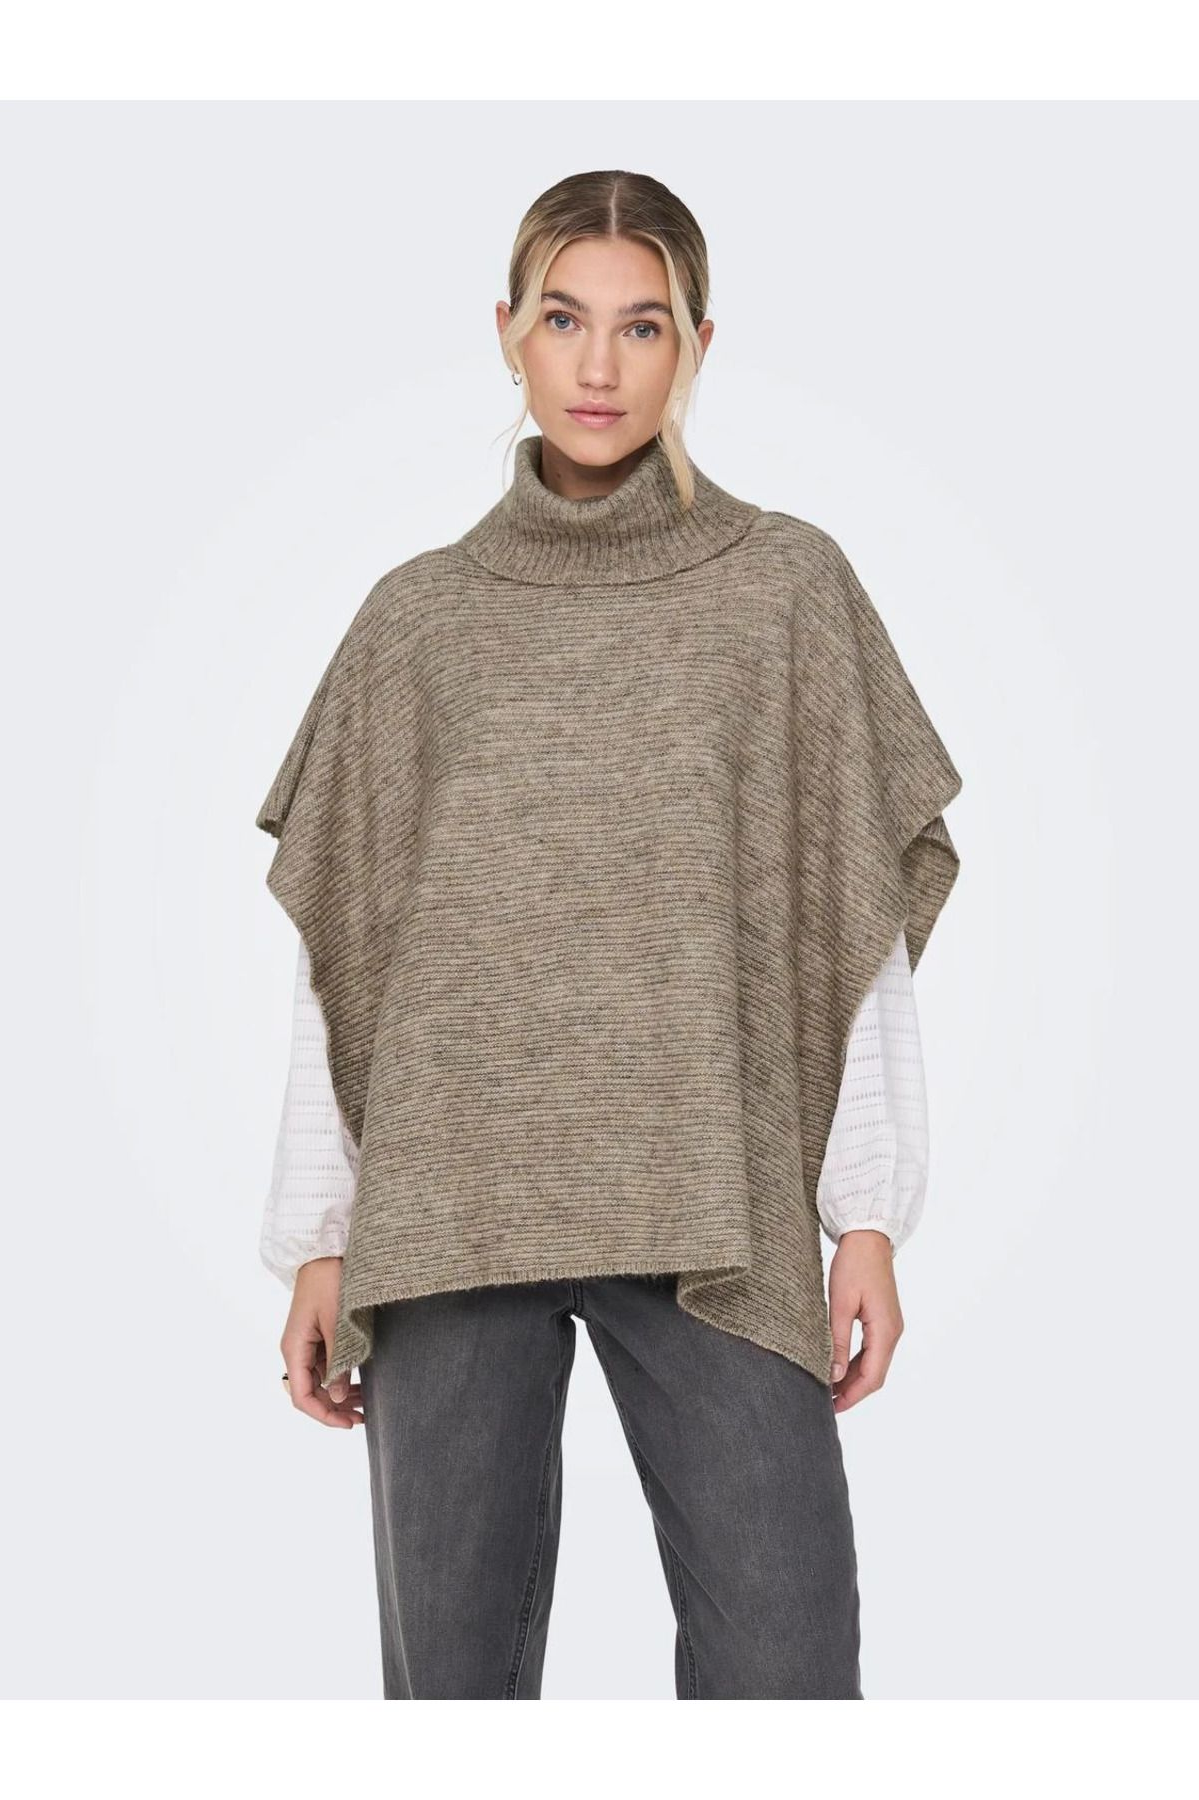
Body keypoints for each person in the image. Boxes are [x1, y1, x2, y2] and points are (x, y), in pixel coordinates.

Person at [253, 169, 963, 1700]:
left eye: (642, 326)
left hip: (711, 1192)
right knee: (452, 1693)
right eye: (564, 319)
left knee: (785, 1663)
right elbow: (346, 947)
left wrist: (866, 1215)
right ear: (506, 331)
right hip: (450, 1202)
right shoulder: (417, 621)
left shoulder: (784, 590)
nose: (598, 365)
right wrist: (319, 1236)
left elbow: (851, 915)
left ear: (697, 343)